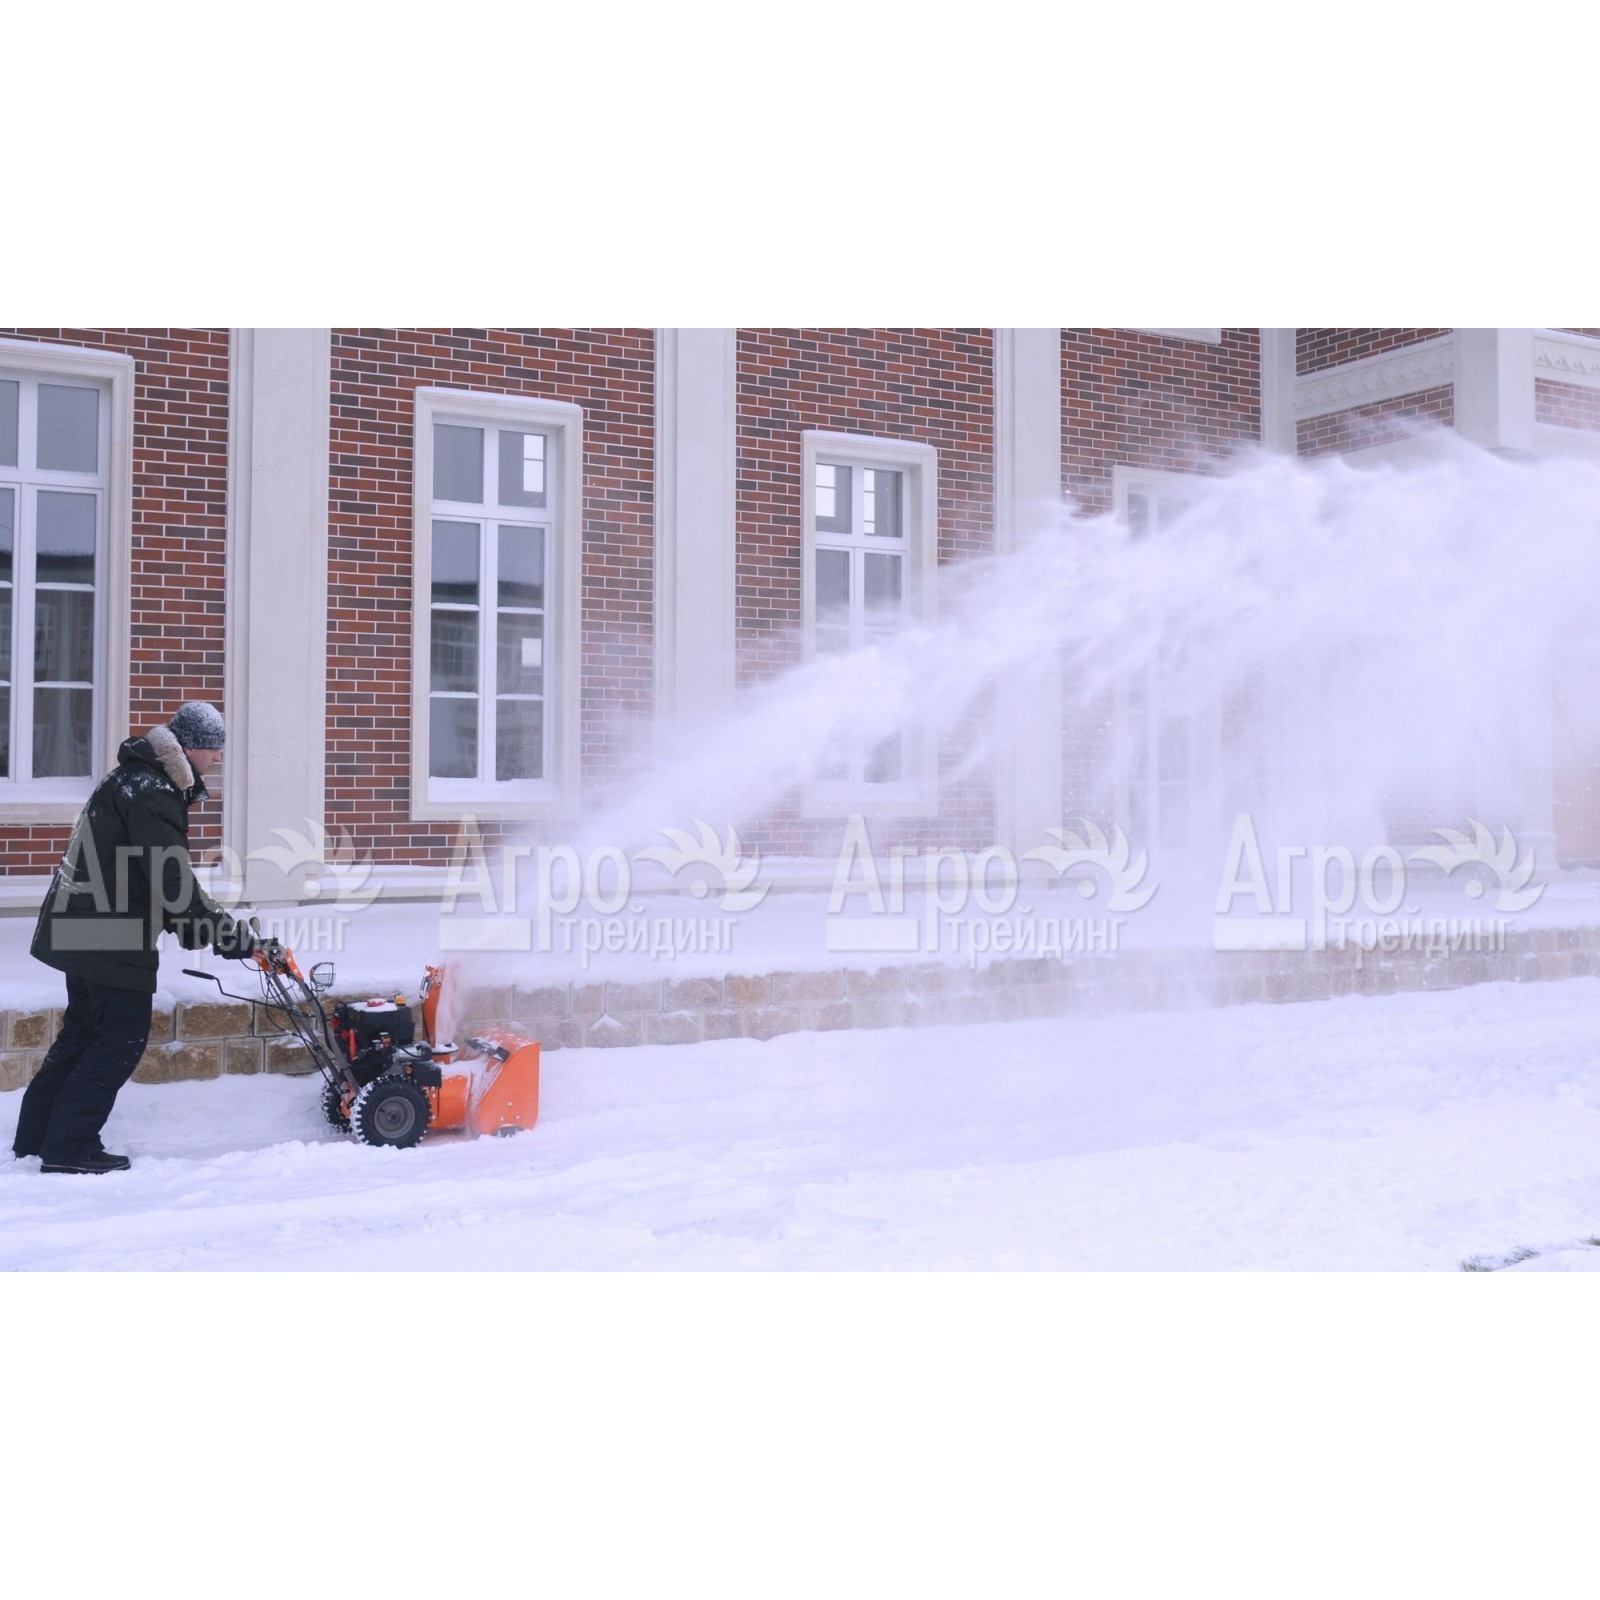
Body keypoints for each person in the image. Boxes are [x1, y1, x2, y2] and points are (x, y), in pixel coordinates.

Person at [12, 701, 272, 1175]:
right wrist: (232, 938)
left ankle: (38, 1137)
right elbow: (174, 886)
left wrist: (212, 931)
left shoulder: (135, 779)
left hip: (85, 925)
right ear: (190, 747)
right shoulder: (152, 791)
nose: (217, 759)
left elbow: (155, 884)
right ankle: (69, 1147)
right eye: (214, 750)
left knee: (83, 1034)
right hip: (108, 933)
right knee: (119, 1040)